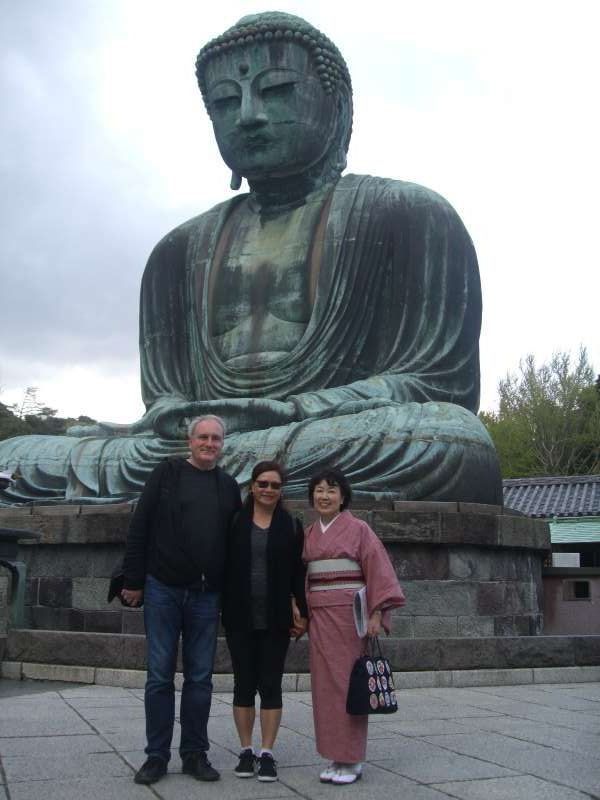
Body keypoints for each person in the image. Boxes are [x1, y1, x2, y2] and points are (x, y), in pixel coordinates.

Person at [0, 11, 502, 506]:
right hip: (202, 443)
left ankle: (198, 484)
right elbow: (165, 401)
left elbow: (438, 385)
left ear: (336, 106)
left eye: (277, 89)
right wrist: (184, 418)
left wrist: (288, 411)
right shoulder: (177, 252)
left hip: (324, 433)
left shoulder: (408, 215)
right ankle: (205, 479)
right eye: (224, 101)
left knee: (450, 441)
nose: (248, 115)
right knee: (17, 458)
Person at [120, 415, 241, 786]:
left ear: (223, 444)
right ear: (190, 441)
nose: (209, 443)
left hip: (206, 595)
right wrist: (133, 580)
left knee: (200, 677)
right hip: (163, 588)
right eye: (202, 437)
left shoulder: (228, 485)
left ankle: (194, 753)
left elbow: (235, 543)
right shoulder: (166, 473)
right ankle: (156, 756)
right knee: (159, 675)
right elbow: (140, 526)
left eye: (216, 438)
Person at [303, 466, 405, 785]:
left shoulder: (359, 529)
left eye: (332, 490)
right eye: (319, 490)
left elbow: (378, 570)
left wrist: (376, 613)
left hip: (350, 618)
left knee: (349, 685)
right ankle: (336, 757)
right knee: (323, 688)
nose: (325, 496)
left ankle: (352, 759)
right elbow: (303, 578)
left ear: (343, 496)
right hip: (320, 617)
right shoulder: (308, 534)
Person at [221, 460, 307, 782]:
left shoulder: (291, 526)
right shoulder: (234, 523)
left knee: (270, 684)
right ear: (252, 487)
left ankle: (267, 752)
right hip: (239, 615)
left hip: (276, 618)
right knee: (243, 683)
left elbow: (299, 573)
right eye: (263, 484)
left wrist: (302, 610)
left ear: (281, 490)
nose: (268, 490)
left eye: (274, 485)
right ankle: (246, 750)